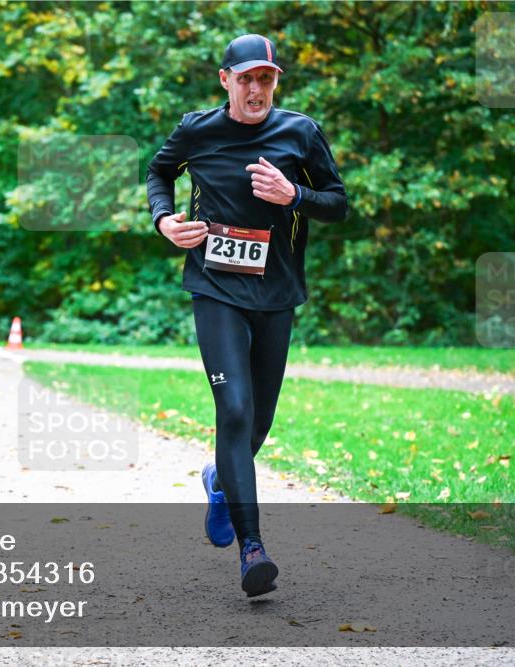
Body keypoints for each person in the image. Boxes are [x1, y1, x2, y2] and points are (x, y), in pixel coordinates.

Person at [146, 34, 348, 597]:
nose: (256, 89)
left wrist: (295, 197)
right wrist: (165, 221)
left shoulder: (300, 132)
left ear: (275, 81)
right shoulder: (197, 130)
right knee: (233, 410)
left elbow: (339, 202)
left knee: (256, 424)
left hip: (276, 295)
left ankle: (219, 481)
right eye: (245, 78)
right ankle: (252, 548)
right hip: (214, 288)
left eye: (266, 79)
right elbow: (158, 174)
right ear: (225, 79)